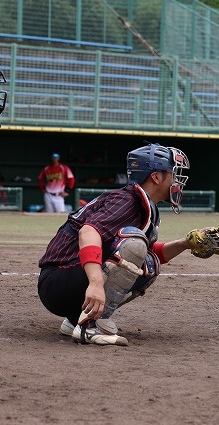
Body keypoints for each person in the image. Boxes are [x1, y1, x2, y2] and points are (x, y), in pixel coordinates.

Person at [38, 143, 193, 346]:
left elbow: (146, 252)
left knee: (149, 262)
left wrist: (185, 244)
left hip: (62, 280)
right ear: (156, 177)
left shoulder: (138, 201)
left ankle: (77, 318)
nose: (177, 181)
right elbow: (88, 232)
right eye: (173, 174)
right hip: (57, 281)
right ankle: (88, 326)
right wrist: (95, 284)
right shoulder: (128, 201)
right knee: (135, 247)